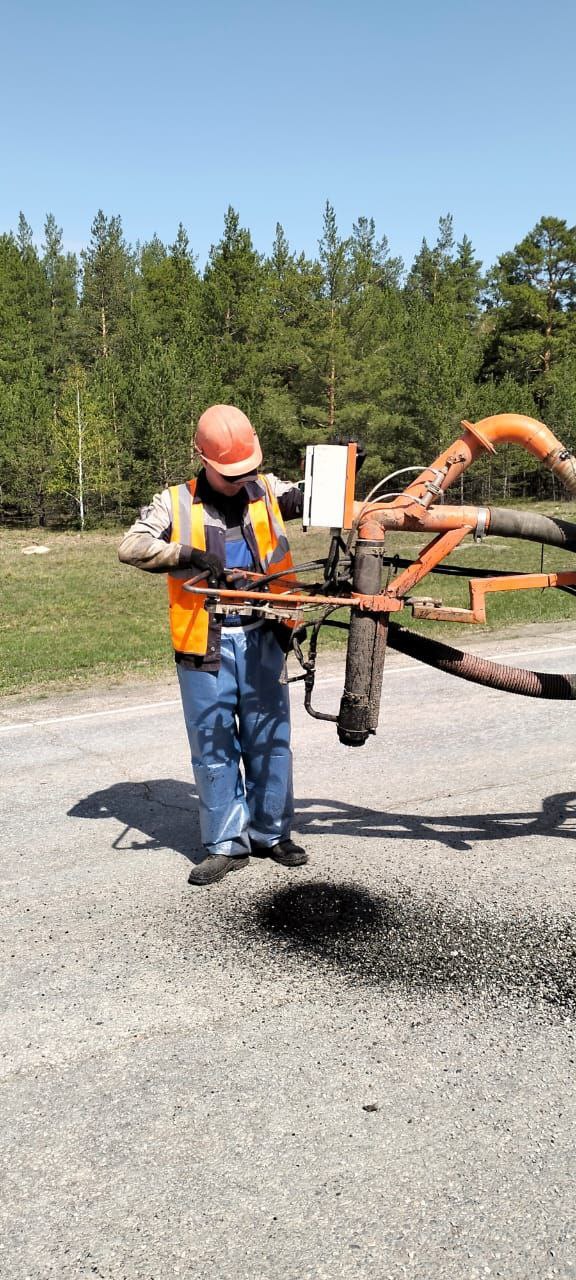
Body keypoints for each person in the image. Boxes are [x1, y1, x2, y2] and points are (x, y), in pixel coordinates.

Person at [118, 404, 308, 886]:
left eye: (247, 469)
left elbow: (314, 500)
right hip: (206, 640)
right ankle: (227, 844)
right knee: (214, 745)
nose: (241, 479)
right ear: (202, 458)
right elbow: (132, 546)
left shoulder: (267, 489)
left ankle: (272, 833)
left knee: (270, 740)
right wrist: (187, 554)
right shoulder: (173, 502)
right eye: (231, 473)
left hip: (266, 632)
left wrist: (345, 470)